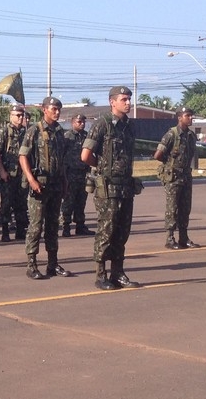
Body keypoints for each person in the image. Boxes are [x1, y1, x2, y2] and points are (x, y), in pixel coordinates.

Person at [81, 86, 141, 290]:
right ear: (112, 102)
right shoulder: (102, 124)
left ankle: (118, 272)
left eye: (129, 99)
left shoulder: (129, 126)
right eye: (123, 99)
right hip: (107, 188)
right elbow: (85, 155)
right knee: (106, 231)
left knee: (122, 232)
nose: (128, 103)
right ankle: (101, 274)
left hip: (125, 187)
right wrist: (103, 167)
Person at [20, 97, 71, 279]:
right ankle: (31, 264)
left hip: (56, 184)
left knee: (52, 225)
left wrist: (65, 182)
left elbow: (61, 160)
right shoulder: (34, 130)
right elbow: (23, 156)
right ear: (44, 110)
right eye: (54, 109)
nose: (57, 112)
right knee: (35, 226)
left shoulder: (59, 132)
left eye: (59, 109)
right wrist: (31, 180)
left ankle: (52, 263)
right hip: (40, 185)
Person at [154, 106, 199, 250]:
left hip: (186, 176)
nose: (191, 118)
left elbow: (191, 155)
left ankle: (183, 238)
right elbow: (158, 155)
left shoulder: (191, 136)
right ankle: (170, 238)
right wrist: (170, 165)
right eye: (187, 115)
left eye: (191, 116)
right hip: (173, 177)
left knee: (185, 208)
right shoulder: (171, 134)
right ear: (180, 117)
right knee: (172, 208)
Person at [0, 104, 28, 242]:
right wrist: (1, 170)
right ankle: (5, 231)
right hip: (8, 174)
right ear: (11, 116)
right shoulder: (3, 132)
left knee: (21, 203)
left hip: (22, 174)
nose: (20, 118)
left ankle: (20, 230)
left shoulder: (26, 133)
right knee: (6, 203)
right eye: (17, 115)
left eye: (22, 115)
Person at [60, 114, 95, 237]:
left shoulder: (86, 136)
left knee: (81, 201)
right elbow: (61, 155)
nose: (82, 124)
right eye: (79, 122)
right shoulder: (67, 137)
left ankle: (80, 226)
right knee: (68, 201)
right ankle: (66, 226)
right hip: (70, 173)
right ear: (72, 122)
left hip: (83, 173)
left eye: (83, 122)